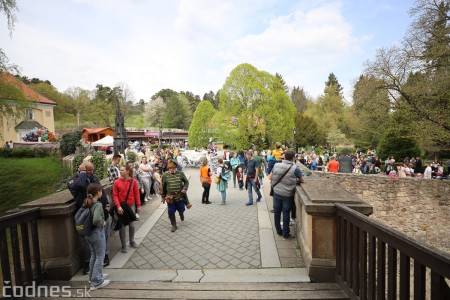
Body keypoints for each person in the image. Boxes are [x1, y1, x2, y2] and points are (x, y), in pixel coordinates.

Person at [68, 162, 111, 272]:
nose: (91, 172)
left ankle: (104, 257)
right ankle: (88, 265)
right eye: (88, 170)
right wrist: (82, 174)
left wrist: (107, 204)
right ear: (81, 170)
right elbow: (80, 185)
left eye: (92, 170)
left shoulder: (94, 177)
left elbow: (100, 191)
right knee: (89, 241)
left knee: (104, 235)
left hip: (100, 211)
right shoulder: (76, 180)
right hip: (88, 216)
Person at [269, 150, 303, 240]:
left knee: (277, 212)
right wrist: (295, 180)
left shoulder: (276, 165)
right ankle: (285, 234)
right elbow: (302, 180)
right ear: (293, 158)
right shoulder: (295, 168)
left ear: (284, 157)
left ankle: (278, 231)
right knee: (286, 213)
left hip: (277, 192)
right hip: (287, 194)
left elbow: (270, 177)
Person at [83, 183, 110, 291]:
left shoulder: (87, 201)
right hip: (96, 233)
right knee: (100, 256)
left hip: (88, 233)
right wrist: (103, 223)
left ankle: (93, 277)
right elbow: (96, 219)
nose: (102, 192)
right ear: (98, 192)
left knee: (94, 255)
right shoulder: (97, 204)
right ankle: (97, 282)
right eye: (101, 191)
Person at [113, 164, 140, 253]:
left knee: (132, 225)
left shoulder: (133, 182)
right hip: (121, 206)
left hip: (131, 205)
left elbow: (136, 194)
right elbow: (115, 196)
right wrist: (118, 206)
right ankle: (123, 245)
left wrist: (138, 205)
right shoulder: (116, 182)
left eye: (122, 170)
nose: (120, 172)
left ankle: (131, 241)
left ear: (128, 171)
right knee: (122, 226)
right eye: (120, 170)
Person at [161, 159, 191, 232]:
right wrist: (163, 197)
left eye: (173, 168)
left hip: (180, 197)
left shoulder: (180, 173)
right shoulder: (165, 175)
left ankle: (181, 214)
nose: (172, 169)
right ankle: (173, 225)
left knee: (181, 209)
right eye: (170, 168)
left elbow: (186, 182)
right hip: (170, 198)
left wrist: (184, 188)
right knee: (171, 212)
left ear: (176, 167)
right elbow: (162, 187)